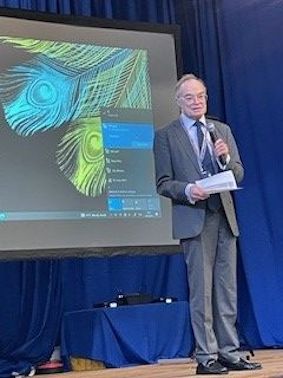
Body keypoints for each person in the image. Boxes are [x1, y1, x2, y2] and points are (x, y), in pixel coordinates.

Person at [153, 74, 262, 375]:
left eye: (201, 96)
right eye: (189, 97)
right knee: (202, 291)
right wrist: (188, 190)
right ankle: (206, 356)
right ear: (178, 102)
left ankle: (229, 352)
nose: (196, 101)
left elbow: (237, 173)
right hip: (194, 218)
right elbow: (162, 183)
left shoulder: (221, 130)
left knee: (227, 290)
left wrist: (225, 160)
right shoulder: (166, 136)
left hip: (224, 217)